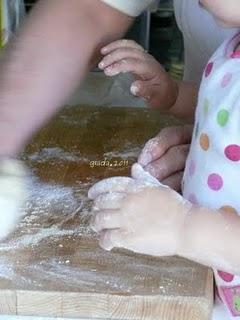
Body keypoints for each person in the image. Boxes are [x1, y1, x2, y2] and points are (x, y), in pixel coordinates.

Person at [89, 1, 240, 319]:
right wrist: (173, 94)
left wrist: (181, 226)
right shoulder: (234, 45)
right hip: (206, 275)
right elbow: (225, 104)